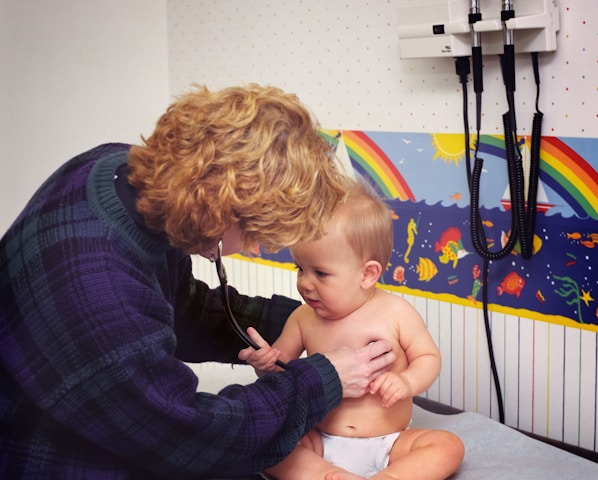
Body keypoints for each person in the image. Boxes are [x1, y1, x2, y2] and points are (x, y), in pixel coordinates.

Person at [0, 84, 396, 479]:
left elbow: (179, 308)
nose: (254, 249)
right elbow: (193, 434)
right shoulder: (97, 291)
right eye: (255, 234)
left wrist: (317, 321)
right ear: (218, 209)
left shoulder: (124, 171)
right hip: (49, 454)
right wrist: (321, 380)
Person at [240, 181, 465, 480]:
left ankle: (389, 477)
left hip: (390, 442)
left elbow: (428, 358)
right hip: (320, 436)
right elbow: (281, 371)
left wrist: (406, 381)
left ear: (367, 274)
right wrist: (266, 365)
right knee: (268, 445)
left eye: (320, 273)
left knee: (447, 446)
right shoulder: (302, 318)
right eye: (300, 269)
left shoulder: (396, 312)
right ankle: (328, 474)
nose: (306, 283)